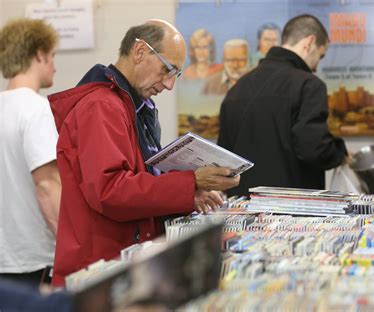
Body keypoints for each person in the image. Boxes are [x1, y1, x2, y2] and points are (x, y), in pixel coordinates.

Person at [48, 19, 240, 286]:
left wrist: (188, 196)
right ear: (140, 51)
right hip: (102, 267)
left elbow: (143, 178)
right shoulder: (101, 106)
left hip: (124, 258)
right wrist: (190, 181)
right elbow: (110, 191)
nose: (170, 84)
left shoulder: (137, 106)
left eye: (176, 74)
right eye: (167, 69)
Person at [217, 14, 348, 196]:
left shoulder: (236, 89)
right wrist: (339, 154)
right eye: (321, 56)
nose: (317, 67)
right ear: (309, 43)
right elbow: (313, 149)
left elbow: (225, 157)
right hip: (293, 211)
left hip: (240, 212)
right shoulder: (309, 85)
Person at [0, 18, 61, 287]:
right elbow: (47, 185)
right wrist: (68, 249)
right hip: (31, 260)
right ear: (39, 53)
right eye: (52, 56)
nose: (54, 65)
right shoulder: (36, 109)